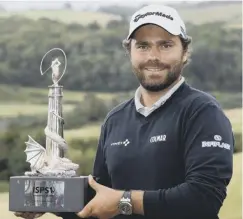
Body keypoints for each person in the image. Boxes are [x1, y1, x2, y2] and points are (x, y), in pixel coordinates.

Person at [15, 4, 234, 219]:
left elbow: (204, 198)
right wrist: (44, 198)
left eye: (166, 45)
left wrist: (124, 202)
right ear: (129, 51)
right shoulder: (115, 119)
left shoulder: (203, 112)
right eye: (143, 46)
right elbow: (99, 201)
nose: (153, 56)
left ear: (185, 51)